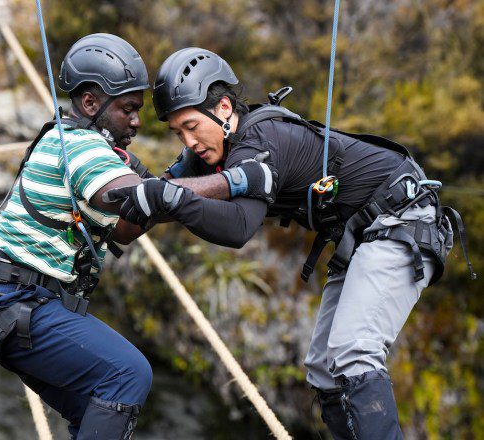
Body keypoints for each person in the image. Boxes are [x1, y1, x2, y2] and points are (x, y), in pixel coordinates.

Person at [104, 47, 473, 439]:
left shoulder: (262, 139)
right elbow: (155, 202)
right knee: (322, 368)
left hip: (403, 217)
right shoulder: (207, 157)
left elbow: (238, 228)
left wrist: (170, 196)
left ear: (225, 108)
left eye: (192, 126)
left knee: (355, 353)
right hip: (360, 235)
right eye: (178, 132)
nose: (188, 140)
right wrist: (130, 190)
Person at [0, 33, 156, 440]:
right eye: (127, 109)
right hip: (13, 300)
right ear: (90, 103)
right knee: (128, 372)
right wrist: (224, 185)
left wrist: (178, 178)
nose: (136, 121)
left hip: (4, 304)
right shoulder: (81, 147)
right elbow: (125, 196)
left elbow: (125, 227)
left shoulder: (76, 142)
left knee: (95, 410)